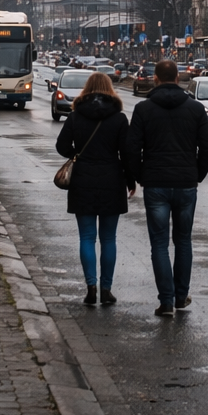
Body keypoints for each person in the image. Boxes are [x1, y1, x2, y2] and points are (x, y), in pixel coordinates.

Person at [126, 59, 208, 316]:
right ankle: (180, 295)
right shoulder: (196, 109)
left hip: (156, 184)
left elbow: (132, 148)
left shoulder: (143, 109)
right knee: (183, 241)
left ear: (155, 79)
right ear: (178, 78)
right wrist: (197, 174)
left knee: (159, 244)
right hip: (186, 184)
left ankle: (165, 301)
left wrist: (140, 175)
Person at [56, 72, 134, 306]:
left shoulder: (76, 116)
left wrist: (78, 156)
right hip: (112, 179)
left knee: (87, 237)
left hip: (83, 180)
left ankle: (90, 286)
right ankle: (106, 289)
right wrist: (131, 180)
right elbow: (127, 152)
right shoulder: (119, 118)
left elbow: (61, 146)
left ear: (86, 89)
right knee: (109, 238)